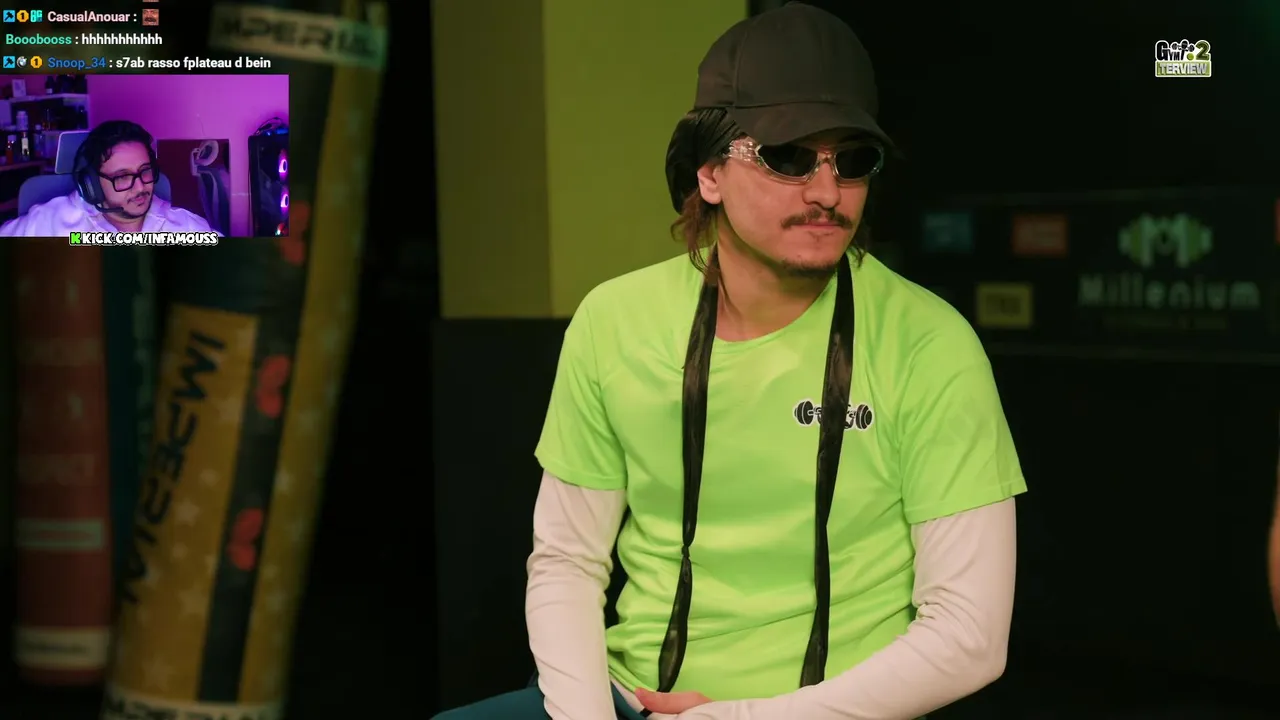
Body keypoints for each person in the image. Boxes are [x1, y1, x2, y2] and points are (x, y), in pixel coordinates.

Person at [436, 4, 1026, 719]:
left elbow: (969, 637)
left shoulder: (931, 345)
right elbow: (566, 561)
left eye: (852, 161)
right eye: (788, 156)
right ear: (710, 172)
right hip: (623, 700)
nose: (826, 192)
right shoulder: (614, 322)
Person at [0, 120, 218, 237]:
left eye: (145, 171)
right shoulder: (50, 222)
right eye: (122, 177)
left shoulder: (186, 227)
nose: (140, 187)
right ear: (92, 185)